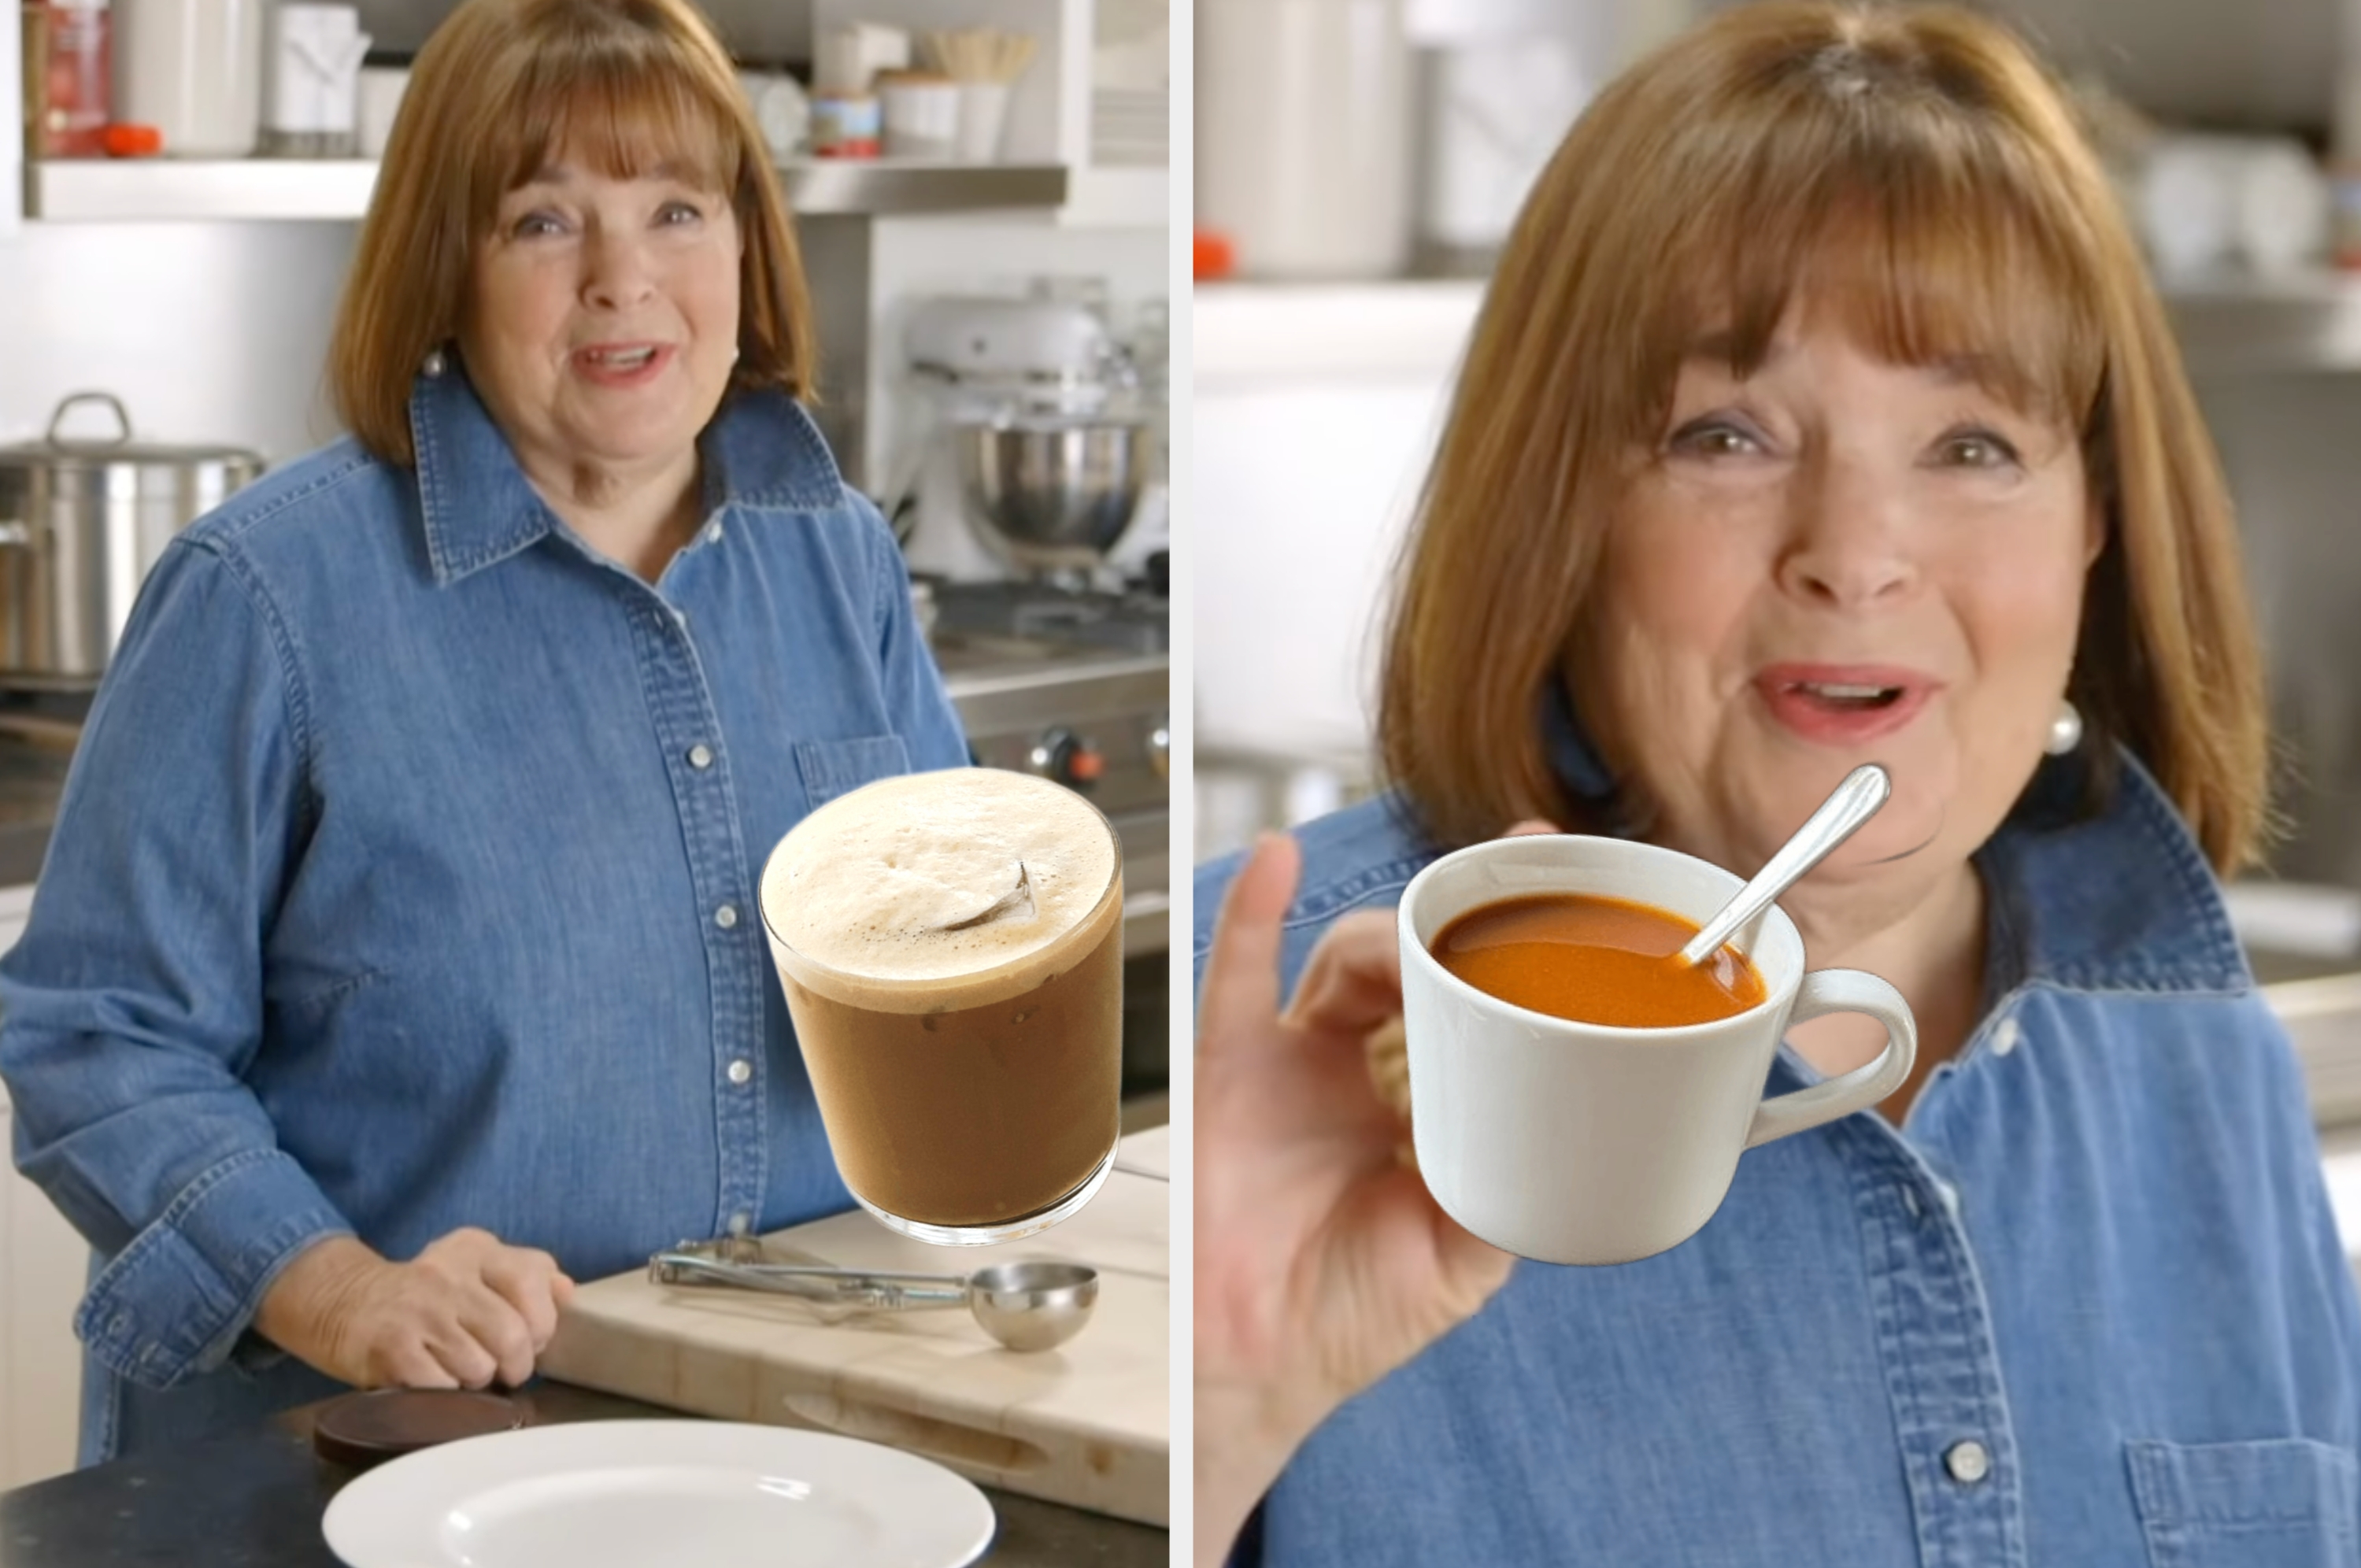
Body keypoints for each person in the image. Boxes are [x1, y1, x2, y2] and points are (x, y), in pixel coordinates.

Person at [1193, 4, 2361, 1562]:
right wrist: (1214, 1414)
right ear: (1563, 510)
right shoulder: (1269, 1035)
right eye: (1727, 434)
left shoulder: (2202, 1056)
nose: (1857, 554)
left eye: (1971, 444)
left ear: (2097, 521)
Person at [0, 0, 964, 1463]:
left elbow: (952, 957)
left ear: (751, 249)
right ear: (442, 264)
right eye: (540, 223)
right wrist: (336, 1291)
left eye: (676, 211)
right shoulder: (266, 594)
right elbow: (96, 1034)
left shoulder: (841, 558)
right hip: (364, 1457)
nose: (621, 281)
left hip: (779, 1447)